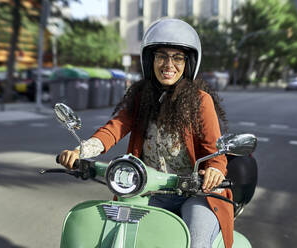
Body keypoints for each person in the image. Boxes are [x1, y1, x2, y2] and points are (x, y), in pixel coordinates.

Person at [59, 18, 234, 248]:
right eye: (161, 56)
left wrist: (214, 169)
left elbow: (216, 152)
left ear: (188, 63)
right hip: (148, 189)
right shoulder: (142, 97)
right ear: (150, 60)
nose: (168, 64)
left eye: (177, 57)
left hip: (196, 194)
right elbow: (114, 128)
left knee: (197, 243)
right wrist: (81, 151)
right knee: (118, 232)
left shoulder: (201, 101)